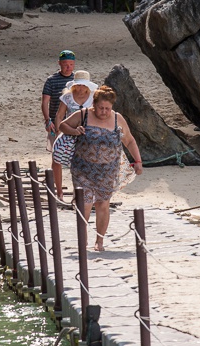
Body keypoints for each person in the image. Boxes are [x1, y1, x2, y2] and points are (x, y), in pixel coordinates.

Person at [59, 85, 143, 251]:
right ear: (94, 105)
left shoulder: (118, 119)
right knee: (85, 204)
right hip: (83, 170)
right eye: (100, 108)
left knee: (103, 205)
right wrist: (75, 131)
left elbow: (130, 141)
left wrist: (138, 161)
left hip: (108, 171)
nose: (104, 112)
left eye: (107, 108)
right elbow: (62, 125)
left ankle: (99, 241)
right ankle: (83, 242)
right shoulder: (83, 115)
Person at [52, 70, 98, 200]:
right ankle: (59, 191)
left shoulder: (94, 97)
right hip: (69, 130)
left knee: (85, 163)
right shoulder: (67, 97)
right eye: (78, 85)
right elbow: (60, 115)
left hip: (87, 133)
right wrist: (58, 131)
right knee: (56, 155)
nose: (81, 88)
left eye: (83, 85)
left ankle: (80, 194)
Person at [42, 50, 75, 196]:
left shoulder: (77, 81)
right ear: (59, 64)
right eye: (65, 64)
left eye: (71, 64)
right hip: (55, 122)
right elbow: (45, 102)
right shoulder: (51, 80)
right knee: (56, 157)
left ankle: (77, 191)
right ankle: (59, 190)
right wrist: (48, 120)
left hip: (74, 123)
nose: (68, 67)